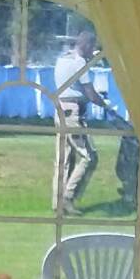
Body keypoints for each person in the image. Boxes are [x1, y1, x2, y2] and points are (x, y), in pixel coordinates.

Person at [52, 28, 101, 213]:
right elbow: (90, 93)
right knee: (89, 156)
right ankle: (68, 197)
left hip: (60, 110)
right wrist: (105, 106)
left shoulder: (63, 58)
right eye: (92, 47)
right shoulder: (80, 63)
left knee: (63, 159)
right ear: (87, 45)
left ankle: (57, 202)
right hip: (74, 113)